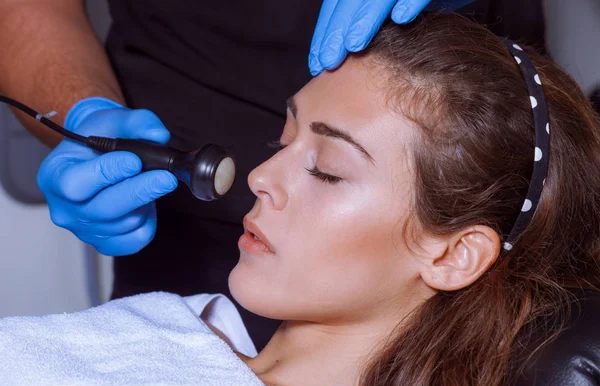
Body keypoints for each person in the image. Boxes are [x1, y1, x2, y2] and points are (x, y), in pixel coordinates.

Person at [0, 0, 545, 350]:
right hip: (182, 231)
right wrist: (83, 116)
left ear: (452, 253)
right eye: (280, 142)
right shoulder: (118, 353)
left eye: (328, 171)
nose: (258, 177)